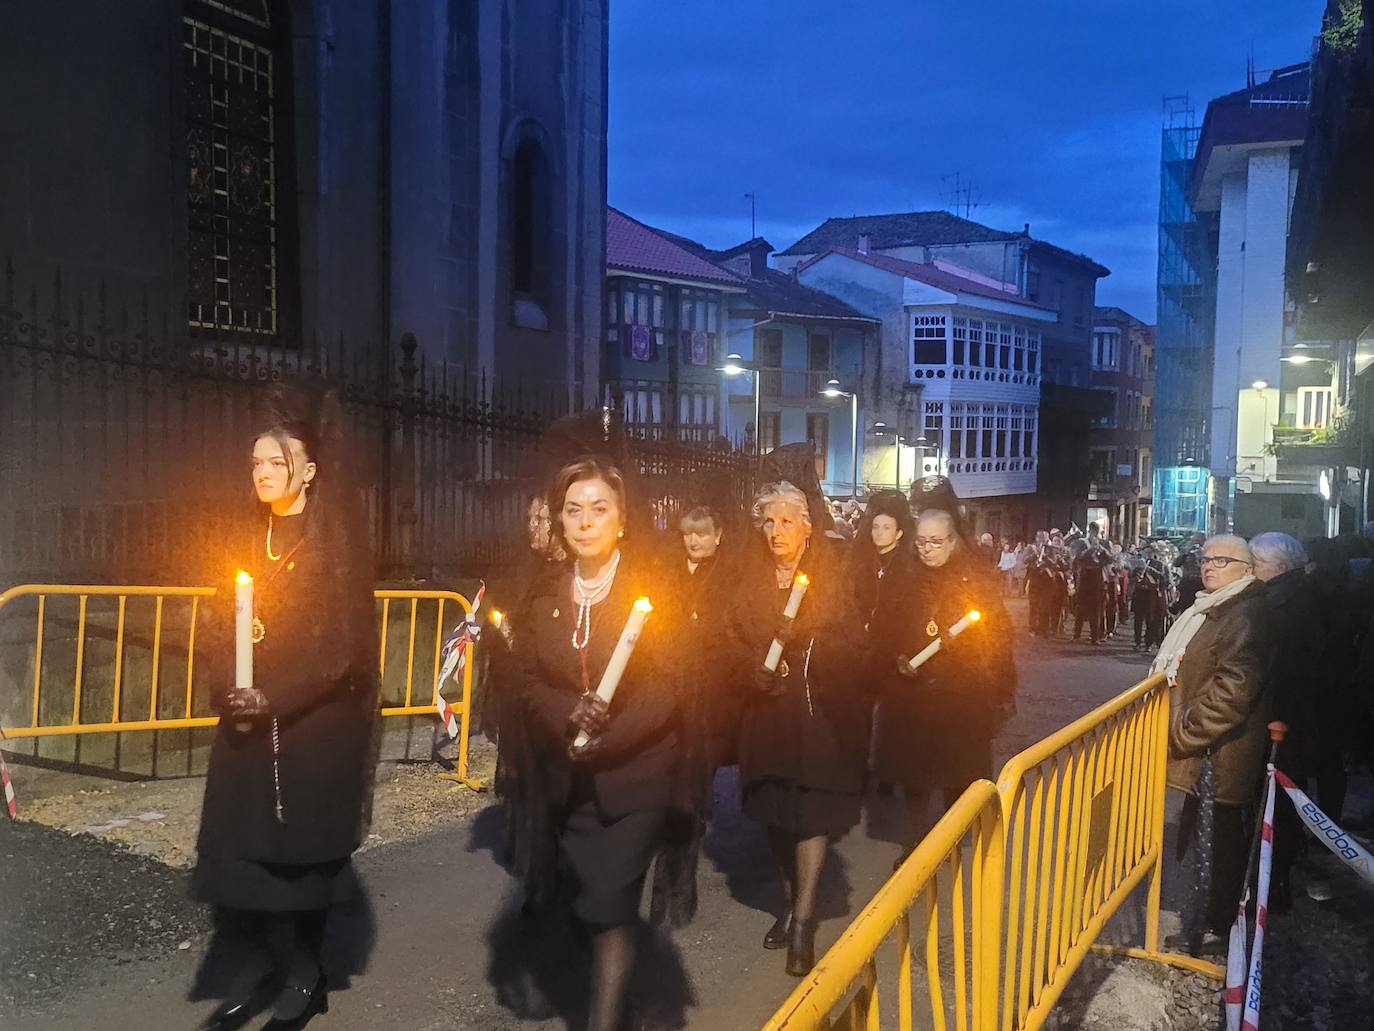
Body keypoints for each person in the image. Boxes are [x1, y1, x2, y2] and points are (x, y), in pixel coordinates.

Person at [194, 385, 379, 1031]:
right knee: (248, 851)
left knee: (301, 856)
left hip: (313, 724)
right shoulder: (248, 533)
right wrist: (230, 687)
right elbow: (222, 618)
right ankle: (269, 963)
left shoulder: (336, 544)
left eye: (276, 461)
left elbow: (344, 646)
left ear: (309, 469)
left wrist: (277, 695)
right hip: (249, 719)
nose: (264, 473)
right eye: (256, 463)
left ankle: (307, 974)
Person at [513, 456, 694, 1031]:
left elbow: (670, 684)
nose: (585, 521)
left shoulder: (651, 589)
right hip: (569, 778)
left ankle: (606, 1022)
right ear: (559, 521)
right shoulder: (543, 596)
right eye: (573, 510)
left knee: (613, 903)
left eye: (599, 508)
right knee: (585, 904)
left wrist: (610, 733)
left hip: (636, 774)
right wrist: (570, 712)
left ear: (623, 520)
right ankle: (625, 997)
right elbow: (527, 680)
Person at [727, 480, 867, 977]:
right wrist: (753, 666)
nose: (775, 531)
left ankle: (804, 921)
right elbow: (729, 638)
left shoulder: (829, 578)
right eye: (767, 521)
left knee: (808, 815)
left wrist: (805, 635)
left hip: (814, 716)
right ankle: (788, 901)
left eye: (786, 521)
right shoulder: (750, 581)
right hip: (766, 715)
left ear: (808, 529)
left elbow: (851, 642)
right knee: (775, 813)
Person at [1154, 534, 1272, 953]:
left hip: (1221, 752)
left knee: (1220, 842)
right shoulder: (1216, 607)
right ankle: (1209, 920)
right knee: (1209, 839)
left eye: (1221, 561)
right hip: (1212, 751)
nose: (1209, 567)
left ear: (1246, 568)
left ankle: (1217, 928)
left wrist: (1187, 730)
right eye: (1206, 559)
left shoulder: (1243, 614)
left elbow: (1234, 688)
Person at [870, 509, 1016, 843]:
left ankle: (950, 841)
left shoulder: (975, 580)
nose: (927, 549)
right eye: (921, 541)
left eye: (936, 542)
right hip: (913, 694)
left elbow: (998, 636)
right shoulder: (902, 577)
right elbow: (883, 630)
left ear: (952, 542)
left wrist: (1001, 688)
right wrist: (896, 658)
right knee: (915, 775)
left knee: (957, 773)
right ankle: (917, 843)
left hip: (961, 693)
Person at [1251, 532, 1321, 911]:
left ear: (1279, 568)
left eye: (1257, 565)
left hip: (1283, 720)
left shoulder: (1283, 606)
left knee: (1277, 806)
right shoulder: (1295, 597)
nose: (1253, 571)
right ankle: (1275, 881)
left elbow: (1283, 669)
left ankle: (1273, 883)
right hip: (1292, 717)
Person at [1072, 540, 1107, 644]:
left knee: (1095, 613)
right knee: (1080, 612)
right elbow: (1081, 557)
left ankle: (1094, 637)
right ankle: (1076, 635)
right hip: (1084, 585)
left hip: (1096, 586)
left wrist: (1102, 549)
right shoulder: (1084, 556)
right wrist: (1091, 548)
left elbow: (1110, 559)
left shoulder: (1100, 556)